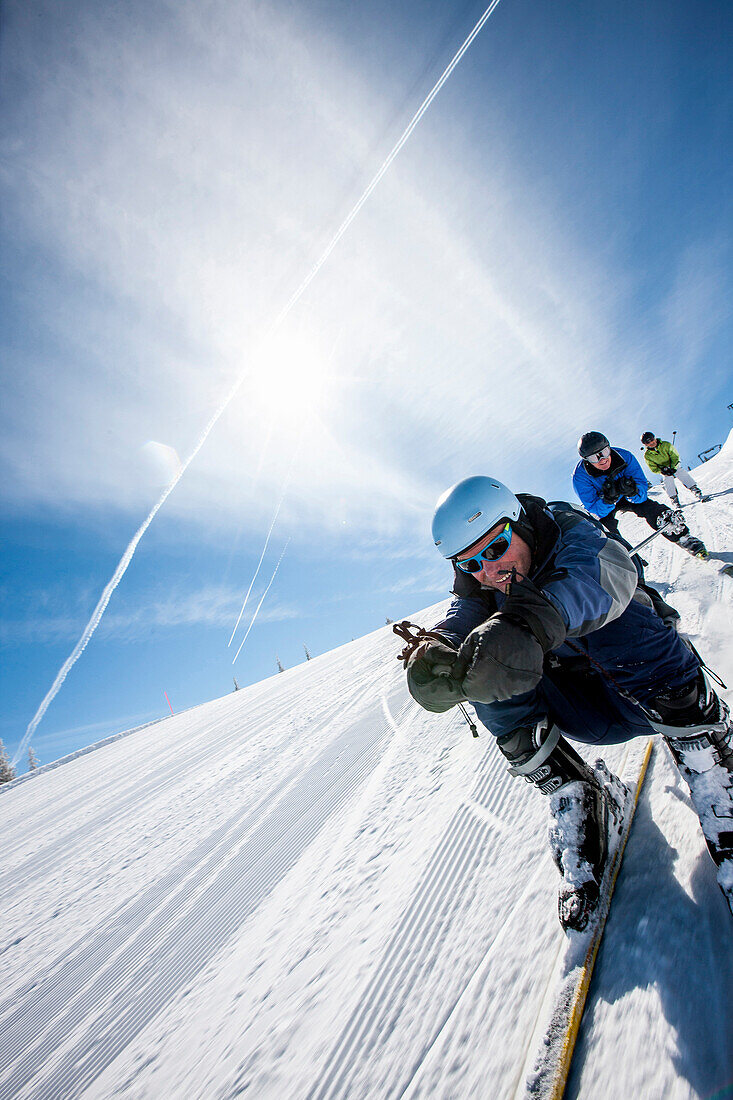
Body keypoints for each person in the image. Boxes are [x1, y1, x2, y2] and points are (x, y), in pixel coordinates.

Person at [402, 476, 733, 931]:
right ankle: (576, 792)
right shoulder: (482, 587)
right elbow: (464, 615)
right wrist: (439, 651)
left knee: (606, 621)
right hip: (589, 712)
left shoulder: (567, 530)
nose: (488, 570)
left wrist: (532, 625)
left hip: (656, 687)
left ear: (519, 524)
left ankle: (712, 765)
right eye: (471, 563)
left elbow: (599, 573)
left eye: (495, 549)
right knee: (482, 666)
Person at [572, 431, 707, 559]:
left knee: (651, 508)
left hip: (626, 494)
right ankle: (622, 562)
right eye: (594, 457)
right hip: (604, 503)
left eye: (605, 452)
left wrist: (633, 492)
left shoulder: (624, 456)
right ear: (586, 460)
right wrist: (608, 500)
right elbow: (593, 508)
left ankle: (683, 537)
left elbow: (641, 488)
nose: (602, 459)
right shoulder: (580, 476)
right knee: (604, 530)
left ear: (609, 447)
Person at [640, 431, 705, 506]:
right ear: (645, 444)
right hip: (664, 470)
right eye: (648, 442)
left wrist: (673, 467)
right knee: (667, 479)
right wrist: (662, 471)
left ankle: (695, 489)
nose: (651, 443)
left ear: (654, 438)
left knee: (680, 472)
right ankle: (674, 498)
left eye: (651, 439)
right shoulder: (647, 455)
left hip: (673, 464)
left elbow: (675, 456)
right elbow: (653, 468)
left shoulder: (665, 445)